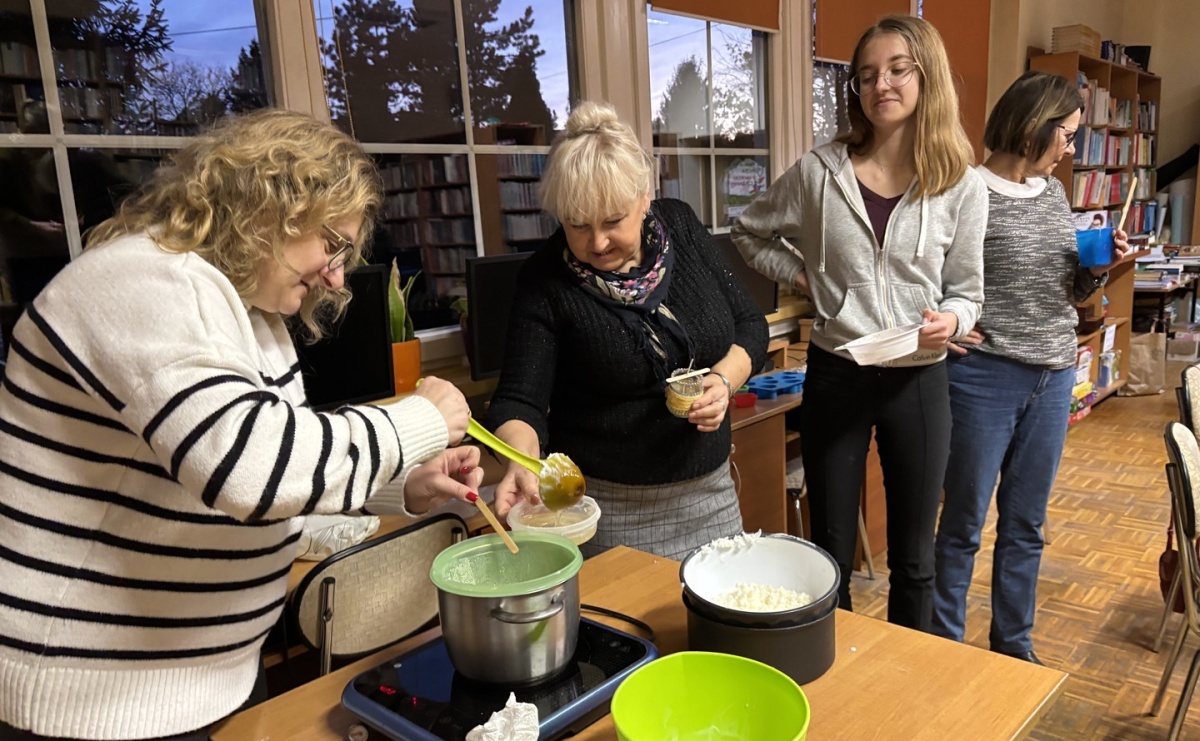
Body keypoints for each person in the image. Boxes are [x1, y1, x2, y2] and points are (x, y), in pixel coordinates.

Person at [0, 109, 481, 740]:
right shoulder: (145, 280)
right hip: (95, 697)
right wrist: (418, 420)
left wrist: (401, 486)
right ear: (268, 207)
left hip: (202, 681)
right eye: (331, 243)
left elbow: (256, 490)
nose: (337, 276)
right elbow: (251, 473)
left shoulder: (249, 316)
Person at [731, 15, 987, 630]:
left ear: (926, 76)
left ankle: (905, 685)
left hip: (919, 380)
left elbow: (969, 292)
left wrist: (949, 320)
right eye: (868, 75)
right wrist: (803, 280)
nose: (882, 85)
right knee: (830, 555)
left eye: (898, 69)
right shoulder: (820, 173)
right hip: (836, 374)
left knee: (914, 561)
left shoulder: (960, 183)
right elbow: (748, 229)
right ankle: (840, 681)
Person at [486, 101, 768, 560]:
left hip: (711, 496)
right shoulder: (545, 280)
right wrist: (521, 461)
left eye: (613, 221)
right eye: (577, 225)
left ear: (644, 198)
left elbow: (750, 326)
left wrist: (722, 382)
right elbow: (520, 400)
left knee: (722, 624)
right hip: (609, 512)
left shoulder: (682, 226)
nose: (596, 243)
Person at [932, 71, 1131, 664]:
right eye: (1065, 136)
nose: (1070, 150)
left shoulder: (1053, 194)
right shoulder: (965, 188)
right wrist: (949, 322)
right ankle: (943, 648)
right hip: (982, 378)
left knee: (1026, 525)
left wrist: (1100, 269)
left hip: (1052, 375)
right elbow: (930, 274)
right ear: (1034, 127)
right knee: (963, 524)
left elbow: (1069, 292)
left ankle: (1013, 647)